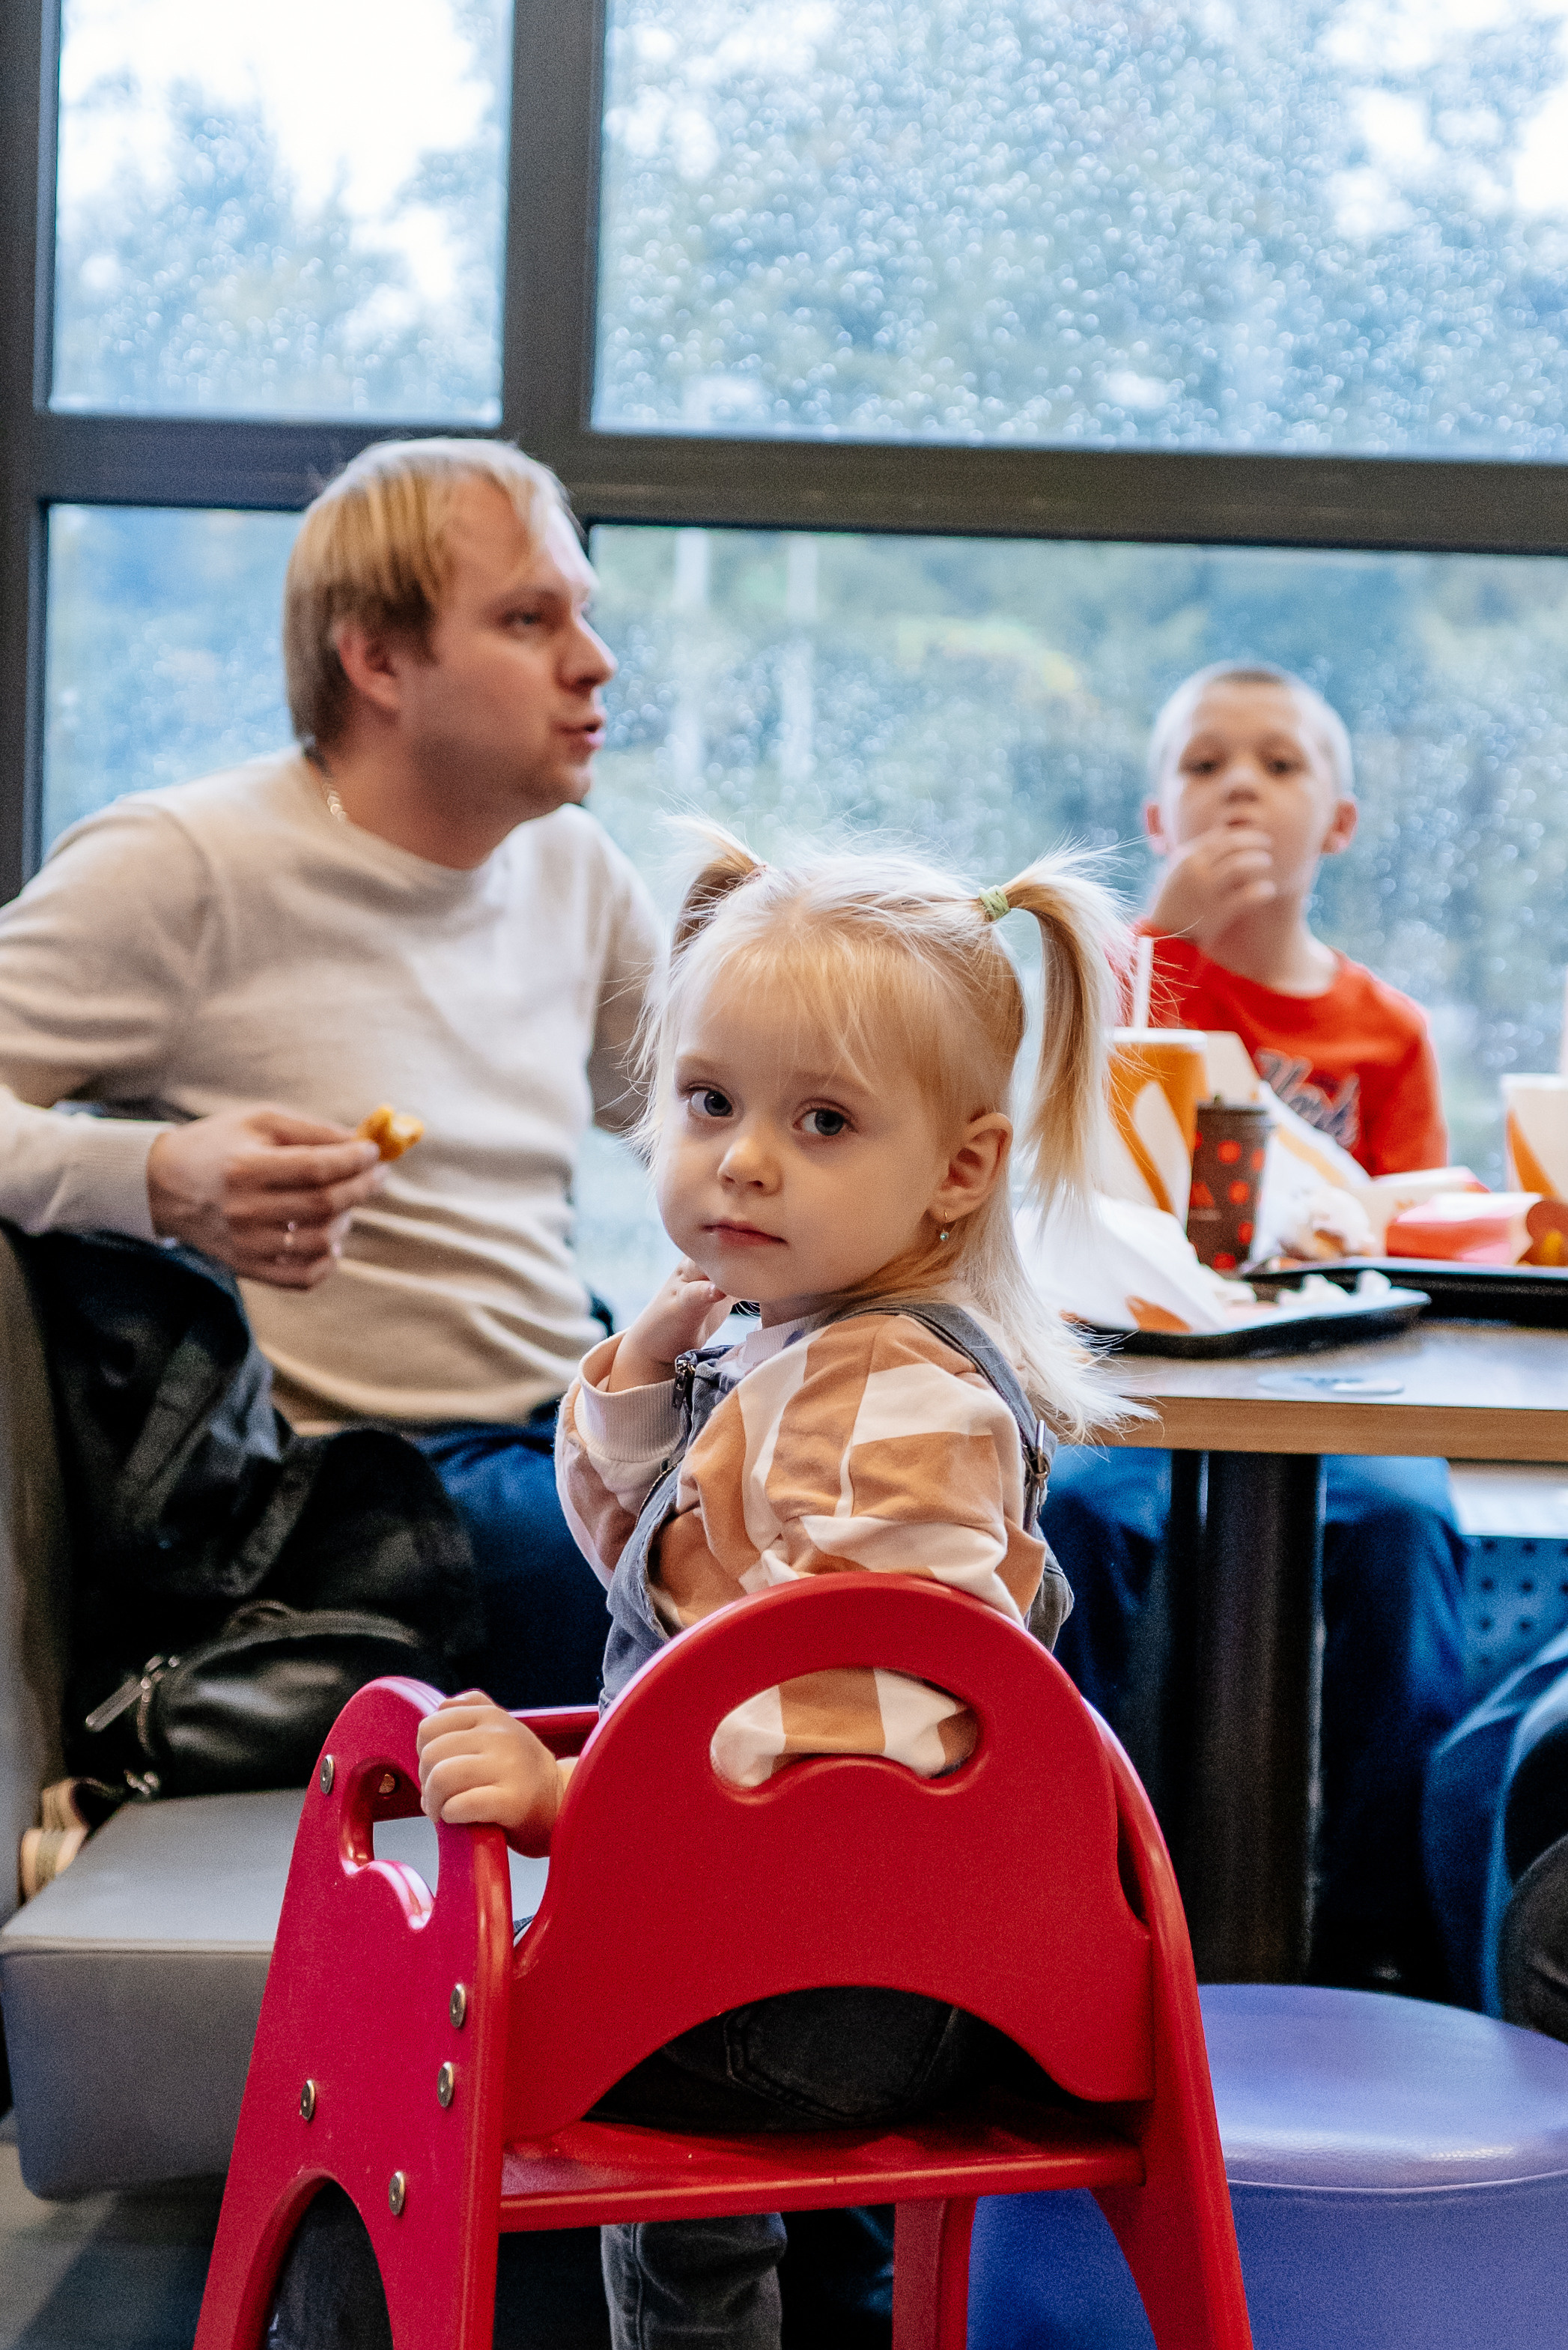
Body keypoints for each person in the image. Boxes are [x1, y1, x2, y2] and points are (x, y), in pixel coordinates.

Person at [406, 831, 1132, 2350]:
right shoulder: (795, 1352)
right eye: (710, 1102)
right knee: (648, 2159)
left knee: (444, 2034)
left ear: (958, 1174)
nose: (742, 1157)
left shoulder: (899, 1401)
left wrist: (567, 1804)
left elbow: (845, 1725)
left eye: (820, 1122)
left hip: (847, 1983)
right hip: (806, 1947)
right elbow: (659, 1577)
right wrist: (636, 1383)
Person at [0, 437, 660, 1710]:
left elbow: (710, 1134)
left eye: (582, 611)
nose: (594, 660)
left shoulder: (572, 866)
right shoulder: (183, 862)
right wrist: (152, 1173)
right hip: (358, 1491)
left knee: (970, 1536)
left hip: (562, 1428)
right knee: (727, 1592)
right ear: (376, 660)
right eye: (529, 619)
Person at [1043, 661, 1468, 1996]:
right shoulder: (1125, 986)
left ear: (1336, 821)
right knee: (1074, 1526)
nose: (1240, 786)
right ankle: (1081, 1887)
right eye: (1204, 764)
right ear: (1156, 818)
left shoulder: (1382, 1031)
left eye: (1279, 765)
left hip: (1342, 1403)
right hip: (1140, 1389)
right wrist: (1146, 950)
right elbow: (1067, 1159)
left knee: (1406, 1532)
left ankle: (1378, 1925)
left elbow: (1414, 1236)